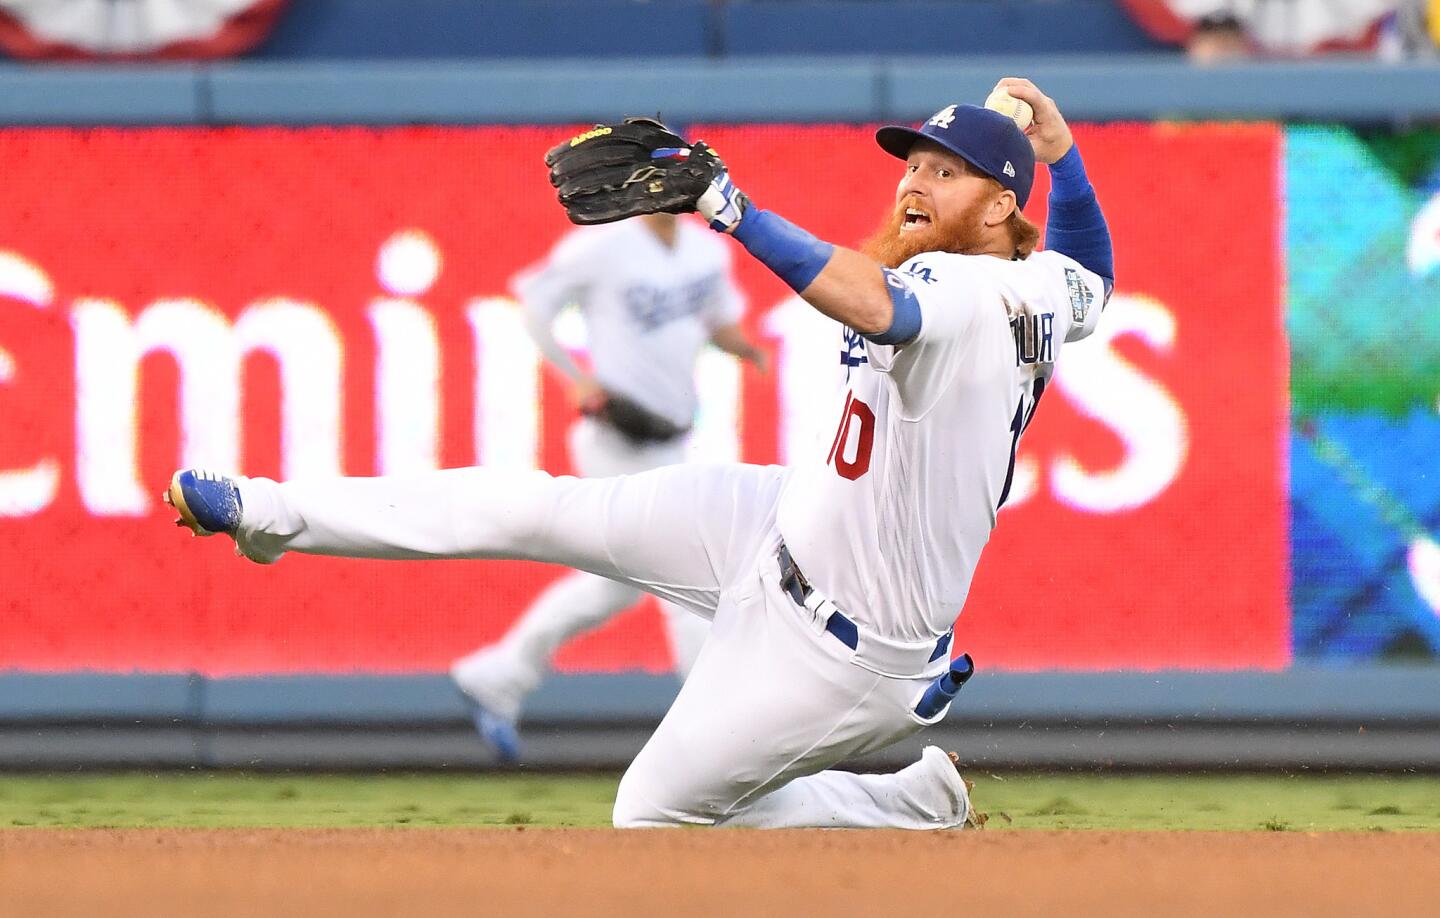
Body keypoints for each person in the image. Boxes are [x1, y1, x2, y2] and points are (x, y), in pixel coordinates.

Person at [163, 77, 1113, 830]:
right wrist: (1063, 159)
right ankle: (270, 513)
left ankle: (903, 806)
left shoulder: (963, 287)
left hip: (846, 648)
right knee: (540, 508)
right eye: (914, 163)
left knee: (652, 813)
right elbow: (1093, 277)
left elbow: (879, 305)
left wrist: (726, 205)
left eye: (945, 173)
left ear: (996, 211)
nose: (914, 180)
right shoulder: (1038, 289)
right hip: (774, 522)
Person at [449, 212, 765, 762]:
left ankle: (500, 673)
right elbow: (535, 303)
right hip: (615, 436)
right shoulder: (601, 247)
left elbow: (718, 322)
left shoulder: (704, 251)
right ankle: (715, 729)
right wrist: (575, 376)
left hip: (667, 439)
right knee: (684, 571)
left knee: (614, 585)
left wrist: (751, 349)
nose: (662, 191)